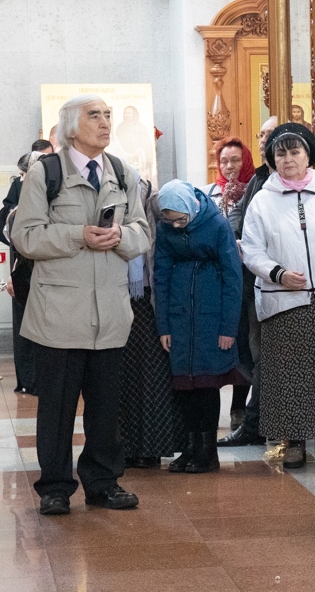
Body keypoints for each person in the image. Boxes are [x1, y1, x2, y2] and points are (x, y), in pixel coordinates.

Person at [13, 94, 150, 515]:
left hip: (110, 313)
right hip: (58, 314)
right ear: (72, 126)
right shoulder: (46, 173)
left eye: (108, 115)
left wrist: (121, 237)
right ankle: (55, 487)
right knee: (56, 409)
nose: (105, 122)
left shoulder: (123, 173)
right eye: (95, 116)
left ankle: (103, 482)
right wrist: (78, 235)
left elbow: (142, 232)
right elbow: (26, 236)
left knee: (106, 409)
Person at [242, 123, 315, 469]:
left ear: (308, 156)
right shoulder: (263, 200)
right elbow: (251, 249)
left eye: (295, 152)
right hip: (283, 301)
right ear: (272, 159)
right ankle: (293, 441)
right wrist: (278, 273)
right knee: (288, 376)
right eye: (280, 153)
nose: (288, 159)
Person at [155, 180, 243, 475]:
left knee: (206, 384)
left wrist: (228, 328)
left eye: (181, 220)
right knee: (184, 387)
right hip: (180, 316)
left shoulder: (217, 225)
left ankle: (207, 452)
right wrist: (163, 325)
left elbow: (233, 277)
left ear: (191, 208)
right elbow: (161, 276)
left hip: (211, 316)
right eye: (171, 221)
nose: (176, 226)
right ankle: (191, 448)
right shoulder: (165, 229)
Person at [217, 117, 276, 448]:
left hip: (287, 284)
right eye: (262, 135)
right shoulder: (259, 179)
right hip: (251, 281)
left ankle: (262, 422)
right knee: (252, 350)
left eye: (272, 135)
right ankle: (255, 421)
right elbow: (244, 226)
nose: (266, 141)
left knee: (266, 353)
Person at [120, 173, 183, 469]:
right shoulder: (108, 199)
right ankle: (124, 446)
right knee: (122, 376)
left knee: (153, 376)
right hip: (116, 296)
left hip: (149, 300)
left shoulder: (152, 199)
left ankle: (152, 446)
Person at [201, 136, 256, 429]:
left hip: (246, 280)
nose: (230, 166)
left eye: (236, 160)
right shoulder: (208, 194)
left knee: (243, 343)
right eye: (224, 161)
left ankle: (239, 408)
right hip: (215, 281)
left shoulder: (256, 193)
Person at [1, 142, 54, 394]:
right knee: (25, 322)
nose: (21, 179)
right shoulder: (19, 189)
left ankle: (43, 379)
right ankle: (28, 379)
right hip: (23, 266)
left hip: (44, 267)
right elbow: (8, 226)